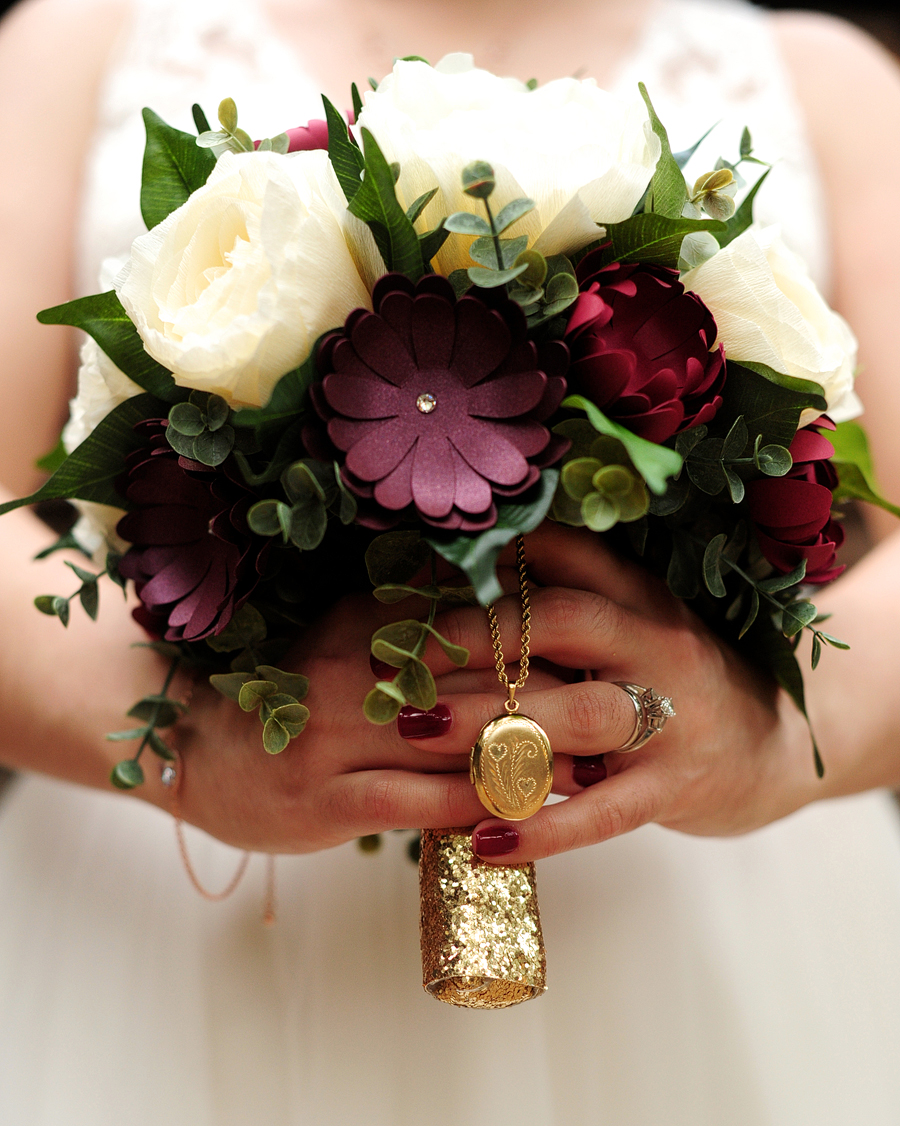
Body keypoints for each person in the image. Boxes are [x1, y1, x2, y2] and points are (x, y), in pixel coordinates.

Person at [2, 0, 900, 1121]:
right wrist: (189, 738)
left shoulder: (822, 83)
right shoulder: (75, 44)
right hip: (184, 920)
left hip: (696, 911)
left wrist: (773, 739)